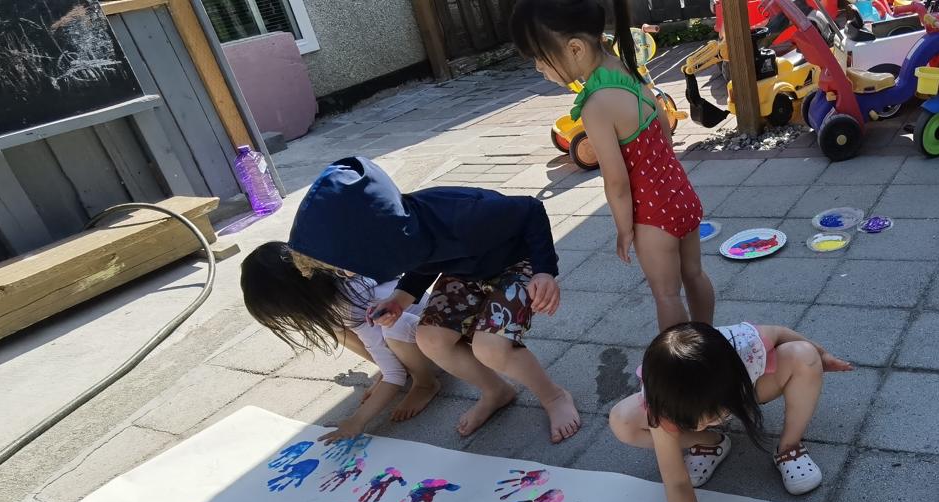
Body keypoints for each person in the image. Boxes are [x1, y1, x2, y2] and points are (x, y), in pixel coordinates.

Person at [286, 157, 581, 443]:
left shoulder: (464, 215)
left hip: (516, 262)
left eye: (343, 265)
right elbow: (423, 260)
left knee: (490, 347)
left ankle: (553, 395)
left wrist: (544, 272)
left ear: (370, 240)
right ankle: (496, 391)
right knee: (430, 338)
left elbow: (531, 210)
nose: (347, 274)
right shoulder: (401, 233)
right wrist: (400, 299)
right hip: (465, 272)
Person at [608, 322, 853, 502]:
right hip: (707, 395)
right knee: (622, 422)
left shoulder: (745, 344)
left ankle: (790, 447)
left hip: (750, 384)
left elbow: (781, 333)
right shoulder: (663, 404)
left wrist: (822, 356)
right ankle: (710, 443)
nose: (714, 420)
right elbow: (676, 483)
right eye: (699, 422)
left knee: (804, 356)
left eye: (717, 415)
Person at [510, 0, 714, 332]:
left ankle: (683, 368)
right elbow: (663, 123)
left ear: (574, 49)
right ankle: (708, 338)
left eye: (539, 57)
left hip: (653, 216)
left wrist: (624, 229)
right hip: (681, 195)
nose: (537, 68)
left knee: (666, 295)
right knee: (694, 274)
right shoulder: (626, 68)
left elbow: (616, 182)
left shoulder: (596, 105)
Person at [241, 241, 440, 443]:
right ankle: (403, 363)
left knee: (393, 328)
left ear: (300, 297)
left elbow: (393, 375)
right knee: (337, 328)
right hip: (412, 329)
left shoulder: (350, 303)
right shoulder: (336, 280)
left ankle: (425, 383)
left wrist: (357, 420)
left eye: (291, 311)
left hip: (429, 332)